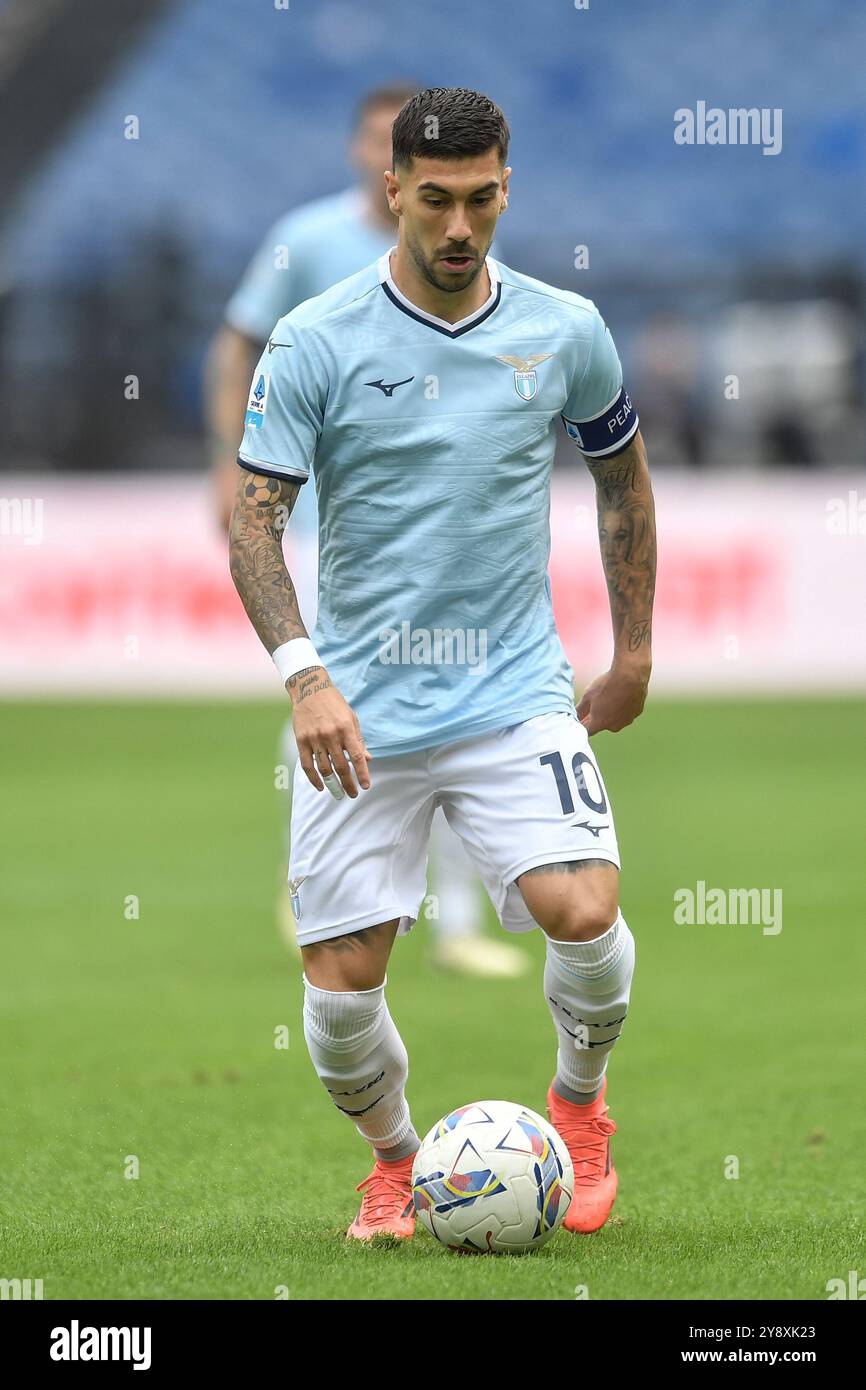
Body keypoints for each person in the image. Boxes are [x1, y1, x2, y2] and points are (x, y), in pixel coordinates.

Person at [228, 87, 656, 1241]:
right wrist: (304, 675)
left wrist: (631, 653)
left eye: (479, 200)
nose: (458, 227)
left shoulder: (563, 328)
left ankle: (577, 1112)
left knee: (584, 908)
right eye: (434, 201)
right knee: (339, 986)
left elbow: (620, 481)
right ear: (394, 194)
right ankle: (397, 1164)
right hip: (359, 706)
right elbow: (253, 521)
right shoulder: (316, 337)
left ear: (505, 187)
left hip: (514, 688)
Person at [206, 83, 527, 979]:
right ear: (371, 160)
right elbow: (240, 342)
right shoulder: (306, 242)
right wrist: (227, 463)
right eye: (381, 140)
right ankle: (314, 864)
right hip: (320, 511)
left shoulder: (458, 239)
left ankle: (457, 920)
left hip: (433, 525)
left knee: (460, 701)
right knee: (324, 684)